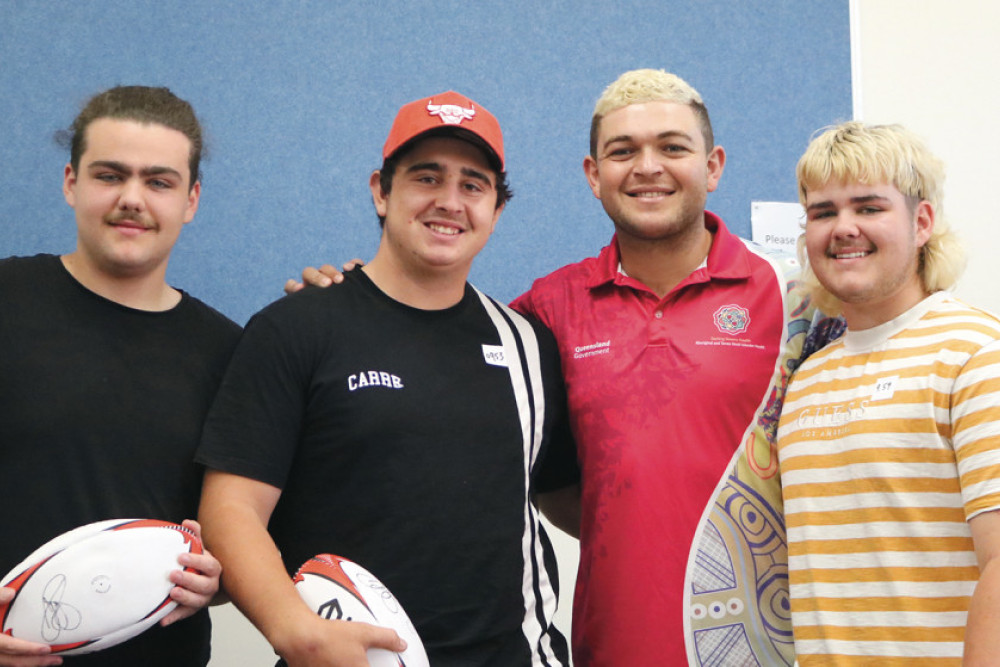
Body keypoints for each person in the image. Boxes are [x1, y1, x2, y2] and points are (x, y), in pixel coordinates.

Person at [291, 69, 843, 666]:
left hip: (773, 648)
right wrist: (351, 298)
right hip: (611, 647)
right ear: (593, 175)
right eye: (622, 151)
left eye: (673, 147)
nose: (647, 167)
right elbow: (440, 348)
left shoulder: (800, 300)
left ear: (713, 167)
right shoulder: (548, 311)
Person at [195, 91, 573, 666]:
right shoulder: (296, 328)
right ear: (381, 189)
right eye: (427, 177)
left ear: (496, 211)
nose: (450, 202)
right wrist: (296, 630)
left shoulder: (528, 344)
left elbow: (565, 497)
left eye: (473, 185)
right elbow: (232, 509)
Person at [0, 86, 237, 666]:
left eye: (159, 182)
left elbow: (249, 533)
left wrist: (220, 580)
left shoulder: (234, 353)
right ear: (70, 182)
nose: (133, 198)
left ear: (192, 199)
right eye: (110, 175)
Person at [776, 121, 1000, 665]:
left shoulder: (975, 353)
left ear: (922, 222)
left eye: (869, 207)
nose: (843, 228)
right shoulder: (806, 380)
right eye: (824, 212)